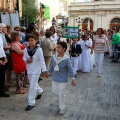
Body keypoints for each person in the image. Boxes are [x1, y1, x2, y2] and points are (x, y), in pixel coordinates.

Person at [48, 41, 76, 115]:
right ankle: (61, 98)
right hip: (55, 78)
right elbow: (51, 66)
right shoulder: (54, 57)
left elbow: (70, 69)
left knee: (61, 93)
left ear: (64, 49)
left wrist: (73, 78)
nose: (57, 49)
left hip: (63, 80)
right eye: (57, 47)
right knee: (54, 92)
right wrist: (47, 72)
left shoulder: (67, 59)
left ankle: (62, 107)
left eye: (59, 47)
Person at [23, 34, 48, 111]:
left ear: (36, 41)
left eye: (32, 40)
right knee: (33, 84)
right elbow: (23, 57)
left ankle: (31, 102)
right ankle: (40, 91)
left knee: (32, 86)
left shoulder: (38, 49)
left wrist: (44, 70)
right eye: (29, 40)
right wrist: (27, 60)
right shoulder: (26, 49)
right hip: (29, 69)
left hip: (36, 70)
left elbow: (41, 60)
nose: (30, 42)